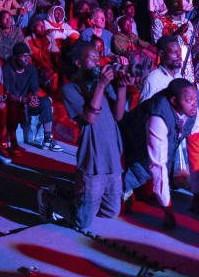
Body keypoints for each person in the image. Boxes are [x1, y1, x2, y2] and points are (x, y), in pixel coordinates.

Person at [37, 41, 133, 230]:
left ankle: (71, 194)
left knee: (111, 210)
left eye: (99, 59)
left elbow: (119, 115)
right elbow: (89, 117)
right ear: (78, 63)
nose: (97, 63)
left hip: (112, 157)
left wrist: (121, 87)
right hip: (93, 158)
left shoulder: (103, 85)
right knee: (83, 222)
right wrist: (101, 85)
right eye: (92, 59)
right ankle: (47, 198)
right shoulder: (70, 89)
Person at [121, 78, 199, 228]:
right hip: (126, 140)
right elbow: (158, 164)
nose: (194, 104)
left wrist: (197, 194)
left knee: (155, 165)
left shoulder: (193, 113)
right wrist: (167, 210)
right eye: (189, 100)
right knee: (141, 170)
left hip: (148, 144)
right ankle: (121, 188)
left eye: (195, 98)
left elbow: (196, 152)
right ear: (174, 101)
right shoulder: (158, 117)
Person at [3, 43, 61, 151]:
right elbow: (6, 93)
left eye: (28, 56)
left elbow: (35, 89)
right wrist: (21, 99)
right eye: (23, 56)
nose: (27, 58)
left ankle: (47, 139)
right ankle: (12, 141)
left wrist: (34, 99)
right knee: (11, 106)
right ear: (15, 57)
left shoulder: (31, 69)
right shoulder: (7, 69)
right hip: (12, 104)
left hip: (26, 103)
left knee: (45, 102)